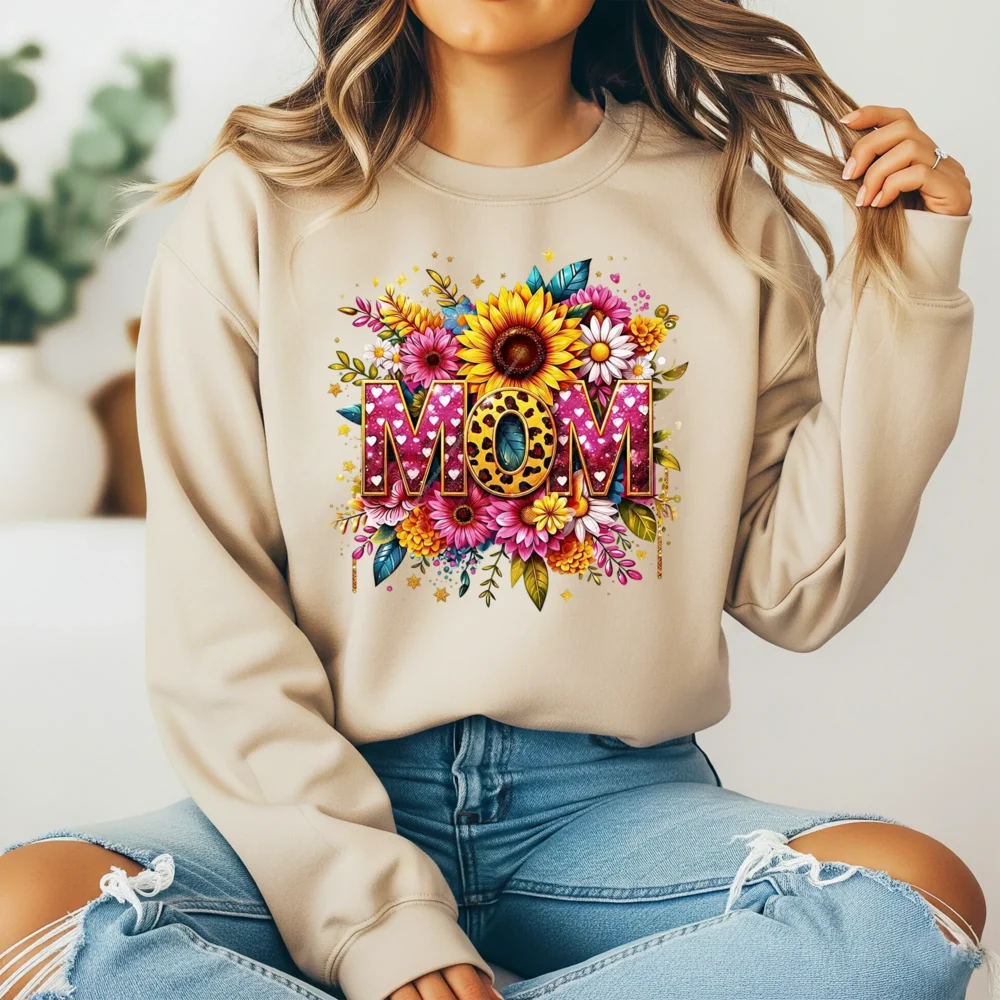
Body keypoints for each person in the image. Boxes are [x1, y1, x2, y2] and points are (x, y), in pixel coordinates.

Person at [0, 1, 991, 998]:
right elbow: (214, 612)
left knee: (908, 903)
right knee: (29, 913)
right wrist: (376, 918)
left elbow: (798, 586)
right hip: (318, 798)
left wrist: (907, 283)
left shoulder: (719, 203)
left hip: (613, 808)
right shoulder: (260, 199)